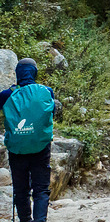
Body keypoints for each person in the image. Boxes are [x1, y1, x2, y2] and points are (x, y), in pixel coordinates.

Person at [0, 58, 55, 222]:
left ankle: (25, 220)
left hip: (17, 148)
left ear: (17, 73)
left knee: (20, 189)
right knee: (41, 189)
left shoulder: (6, 95)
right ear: (34, 72)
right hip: (41, 146)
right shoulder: (47, 91)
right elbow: (51, 114)